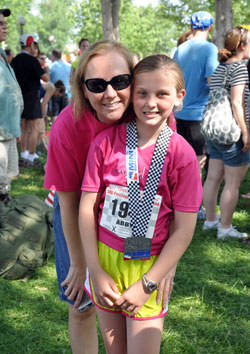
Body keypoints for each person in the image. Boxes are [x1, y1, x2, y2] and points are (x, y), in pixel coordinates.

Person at [44, 41, 178, 354]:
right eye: (96, 84)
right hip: (78, 213)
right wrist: (81, 264)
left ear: (133, 80)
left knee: (129, 299)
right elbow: (69, 202)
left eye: (120, 81)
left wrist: (166, 266)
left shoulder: (153, 115)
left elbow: (170, 195)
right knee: (82, 305)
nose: (109, 94)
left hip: (137, 221)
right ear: (83, 89)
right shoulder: (68, 124)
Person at [79, 54, 202, 354]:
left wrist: (149, 282)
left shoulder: (181, 155)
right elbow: (86, 208)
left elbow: (184, 229)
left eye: (162, 94)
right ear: (132, 94)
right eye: (142, 93)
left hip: (149, 268)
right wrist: (94, 269)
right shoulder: (105, 143)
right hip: (105, 262)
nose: (150, 103)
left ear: (179, 97)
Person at [202, 26, 250, 240]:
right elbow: (237, 102)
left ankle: (210, 221)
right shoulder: (240, 67)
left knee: (213, 178)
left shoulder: (221, 67)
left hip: (214, 130)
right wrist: (245, 132)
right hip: (232, 132)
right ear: (242, 46)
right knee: (232, 183)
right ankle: (225, 228)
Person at [173, 11, 218, 171]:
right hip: (200, 116)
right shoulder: (210, 48)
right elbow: (213, 83)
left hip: (179, 114)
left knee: (182, 162)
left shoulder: (180, 49)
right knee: (199, 163)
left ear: (192, 27)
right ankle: (197, 196)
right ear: (211, 27)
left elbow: (172, 80)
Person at [11, 34, 49, 164]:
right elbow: (46, 79)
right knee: (34, 127)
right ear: (30, 45)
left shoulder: (15, 60)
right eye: (34, 44)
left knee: (23, 127)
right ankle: (31, 155)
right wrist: (45, 67)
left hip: (19, 97)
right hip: (32, 96)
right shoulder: (33, 61)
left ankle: (23, 154)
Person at [0, 8, 23, 201]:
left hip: (9, 131)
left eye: (4, 22)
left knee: (5, 185)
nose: (5, 25)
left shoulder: (2, 55)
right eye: (0, 23)